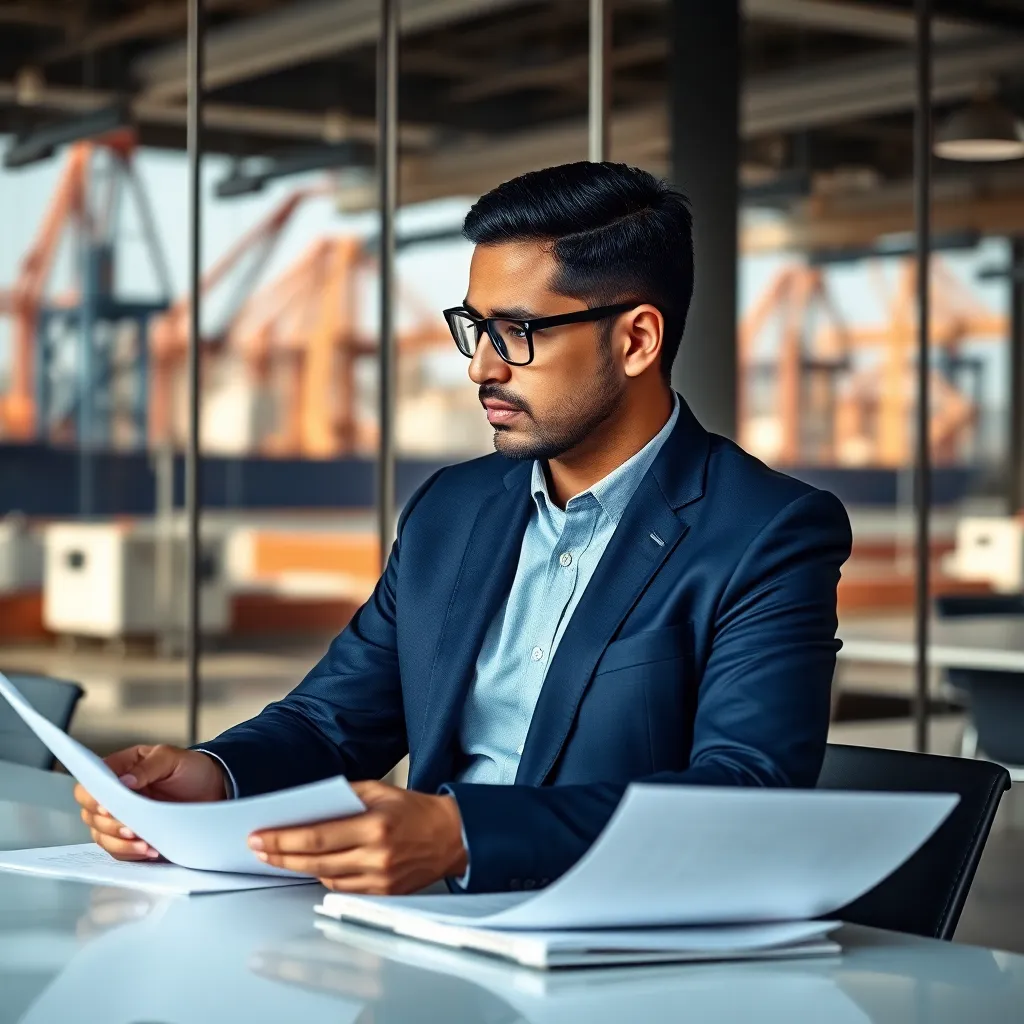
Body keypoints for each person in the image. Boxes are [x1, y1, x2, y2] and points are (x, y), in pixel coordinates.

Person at [75, 161, 852, 896]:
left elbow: (747, 792)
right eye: (474, 328)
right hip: (413, 927)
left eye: (516, 331)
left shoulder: (769, 532)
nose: (481, 367)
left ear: (637, 340)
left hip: (614, 954)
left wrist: (465, 834)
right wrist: (214, 776)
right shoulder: (451, 508)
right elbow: (334, 720)